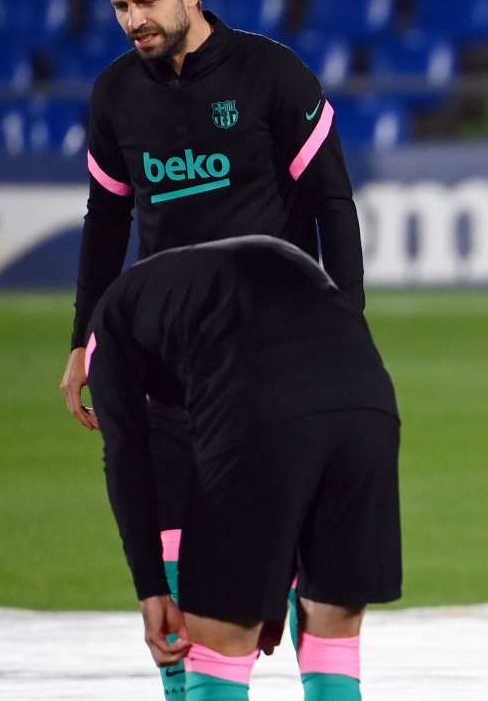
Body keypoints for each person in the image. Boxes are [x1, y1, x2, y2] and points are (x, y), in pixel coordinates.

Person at [56, 0, 365, 697]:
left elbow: (333, 203)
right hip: (167, 369)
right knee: (181, 588)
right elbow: (107, 221)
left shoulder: (271, 75)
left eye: (148, 0)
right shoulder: (117, 94)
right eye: (121, 6)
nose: (134, 21)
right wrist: (84, 341)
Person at [84, 235, 401, 701]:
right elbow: (304, 426)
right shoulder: (233, 279)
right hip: (369, 409)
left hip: (261, 409)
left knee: (219, 646)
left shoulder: (109, 322)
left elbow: (127, 454)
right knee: (330, 641)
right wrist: (268, 582)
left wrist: (152, 592)